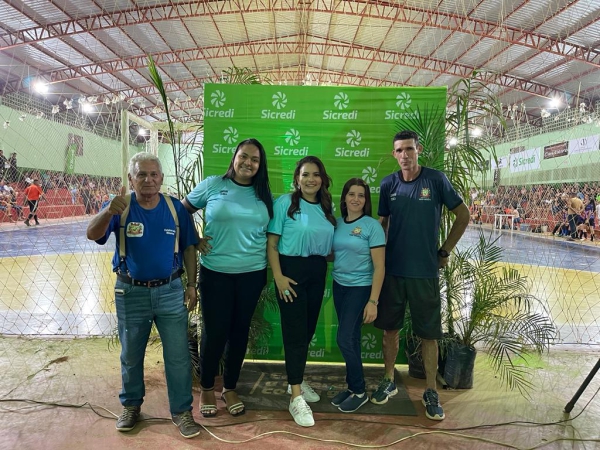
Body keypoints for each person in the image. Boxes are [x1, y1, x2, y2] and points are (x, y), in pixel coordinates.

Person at [85, 152, 202, 439]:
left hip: (171, 291)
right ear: (131, 179)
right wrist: (108, 211)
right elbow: (92, 234)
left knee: (177, 355)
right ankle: (131, 406)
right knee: (131, 354)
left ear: (161, 178)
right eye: (141, 175)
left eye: (153, 175)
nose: (148, 180)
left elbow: (189, 248)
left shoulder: (176, 209)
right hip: (131, 292)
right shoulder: (120, 208)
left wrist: (191, 286)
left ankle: (182, 412)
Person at [372, 130, 470, 421]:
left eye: (409, 150)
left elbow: (463, 215)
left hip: (425, 273)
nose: (405, 155)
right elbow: (382, 224)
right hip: (393, 273)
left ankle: (430, 390)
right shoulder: (388, 183)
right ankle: (389, 379)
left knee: (429, 335)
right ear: (394, 154)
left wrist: (444, 251)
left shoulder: (436, 180)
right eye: (399, 151)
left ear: (419, 150)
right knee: (390, 331)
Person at [182, 138, 273, 418]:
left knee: (239, 332)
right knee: (215, 332)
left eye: (254, 160)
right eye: (243, 156)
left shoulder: (263, 194)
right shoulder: (213, 185)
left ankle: (230, 387)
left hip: (252, 274)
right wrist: (195, 239)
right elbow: (180, 211)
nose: (248, 163)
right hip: (216, 274)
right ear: (234, 157)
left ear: (260, 165)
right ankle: (208, 387)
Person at [267, 155, 336, 427]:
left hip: (317, 273)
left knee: (306, 332)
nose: (311, 179)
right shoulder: (285, 203)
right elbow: (272, 244)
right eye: (306, 174)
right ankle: (296, 396)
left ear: (323, 178)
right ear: (297, 178)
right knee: (295, 334)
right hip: (290, 275)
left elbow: (329, 248)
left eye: (316, 174)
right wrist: (279, 277)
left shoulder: (326, 205)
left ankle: (295, 379)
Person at [330, 178, 385, 413]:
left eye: (361, 195)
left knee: (343, 339)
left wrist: (373, 301)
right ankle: (353, 387)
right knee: (350, 338)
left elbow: (380, 267)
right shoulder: (337, 223)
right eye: (351, 194)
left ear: (366, 200)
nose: (355, 199)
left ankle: (360, 391)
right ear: (344, 198)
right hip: (338, 285)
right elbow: (332, 254)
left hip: (360, 288)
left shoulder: (372, 226)